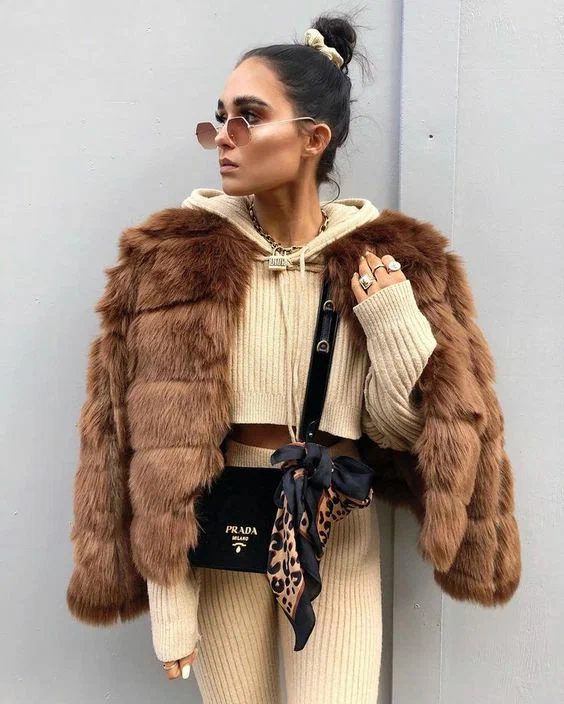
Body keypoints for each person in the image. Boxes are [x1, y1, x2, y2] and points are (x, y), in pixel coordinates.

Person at [66, 10, 521, 704]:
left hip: (337, 521)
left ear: (314, 138)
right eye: (219, 118)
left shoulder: (390, 260)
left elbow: (407, 435)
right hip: (224, 528)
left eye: (248, 117)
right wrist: (169, 602)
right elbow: (141, 445)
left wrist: (394, 323)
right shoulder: (174, 262)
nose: (224, 136)